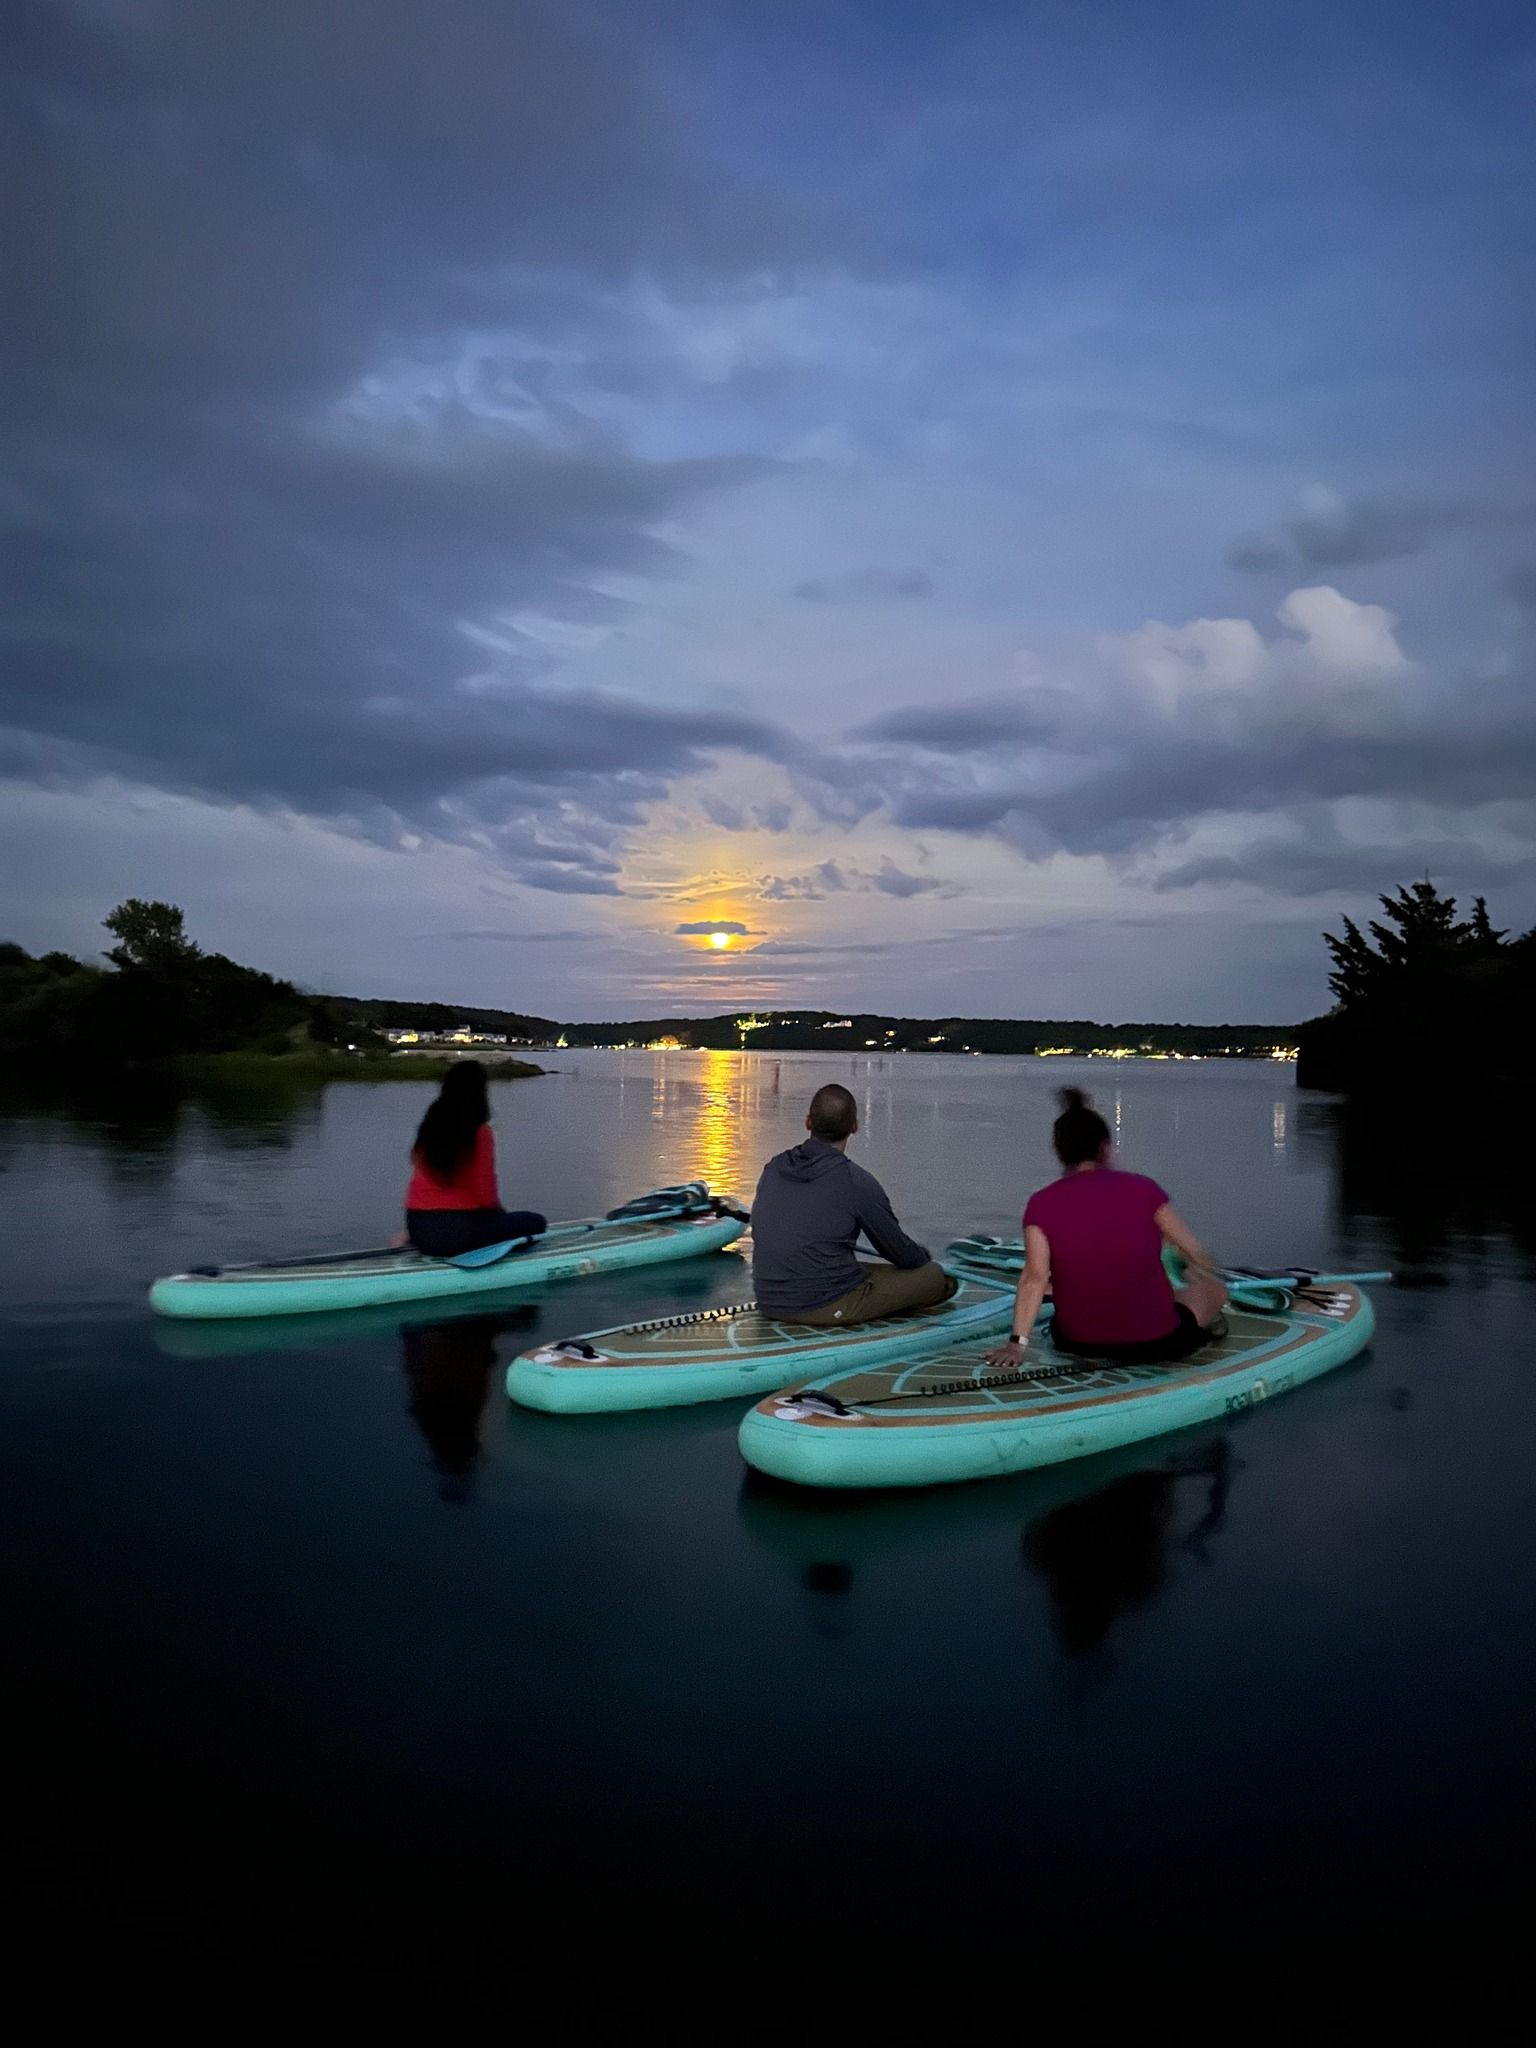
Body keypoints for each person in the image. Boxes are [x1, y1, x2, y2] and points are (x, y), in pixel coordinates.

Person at [985, 1087, 1226, 1371]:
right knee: (1213, 1290)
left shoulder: (1041, 1204)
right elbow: (1195, 1252)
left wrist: (1017, 1343)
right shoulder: (1144, 1190)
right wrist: (1195, 1268)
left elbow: (1034, 1279)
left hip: (1077, 1340)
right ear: (1105, 1148)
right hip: (1158, 1341)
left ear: (1059, 1152)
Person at [750, 1082, 955, 1324]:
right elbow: (901, 1253)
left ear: (808, 1122)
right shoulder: (856, 1182)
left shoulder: (774, 1167)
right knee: (936, 1278)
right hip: (822, 1305)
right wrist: (923, 1256)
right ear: (854, 1126)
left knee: (866, 1270)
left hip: (767, 1299)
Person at [404, 1061, 547, 1259]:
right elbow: (485, 1193)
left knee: (493, 1222)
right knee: (536, 1223)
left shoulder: (429, 1129)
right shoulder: (479, 1132)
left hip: (417, 1225)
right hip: (457, 1233)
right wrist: (499, 1216)